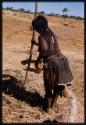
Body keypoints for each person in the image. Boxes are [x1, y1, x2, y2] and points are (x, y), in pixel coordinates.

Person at [31, 15, 73, 109]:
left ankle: (48, 109)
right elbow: (50, 46)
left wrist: (37, 61)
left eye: (35, 27)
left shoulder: (41, 36)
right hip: (62, 61)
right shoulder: (51, 33)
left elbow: (45, 49)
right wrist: (36, 43)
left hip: (52, 63)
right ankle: (52, 106)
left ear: (38, 27)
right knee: (58, 86)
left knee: (48, 87)